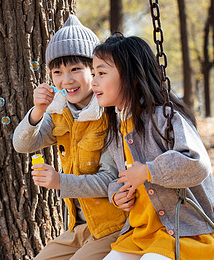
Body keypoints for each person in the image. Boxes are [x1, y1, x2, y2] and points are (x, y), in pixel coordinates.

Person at [13, 15, 128, 260]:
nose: (67, 80)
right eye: (57, 72)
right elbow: (22, 144)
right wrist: (38, 111)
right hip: (79, 228)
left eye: (76, 69)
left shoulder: (108, 113)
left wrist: (60, 181)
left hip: (113, 226)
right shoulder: (58, 111)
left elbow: (111, 179)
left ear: (95, 72)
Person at [90, 34, 214, 260]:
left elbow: (198, 164)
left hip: (186, 232)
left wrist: (149, 171)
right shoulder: (117, 130)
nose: (93, 82)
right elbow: (120, 177)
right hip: (142, 233)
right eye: (93, 74)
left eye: (101, 73)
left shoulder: (163, 118)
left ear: (132, 77)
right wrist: (117, 194)